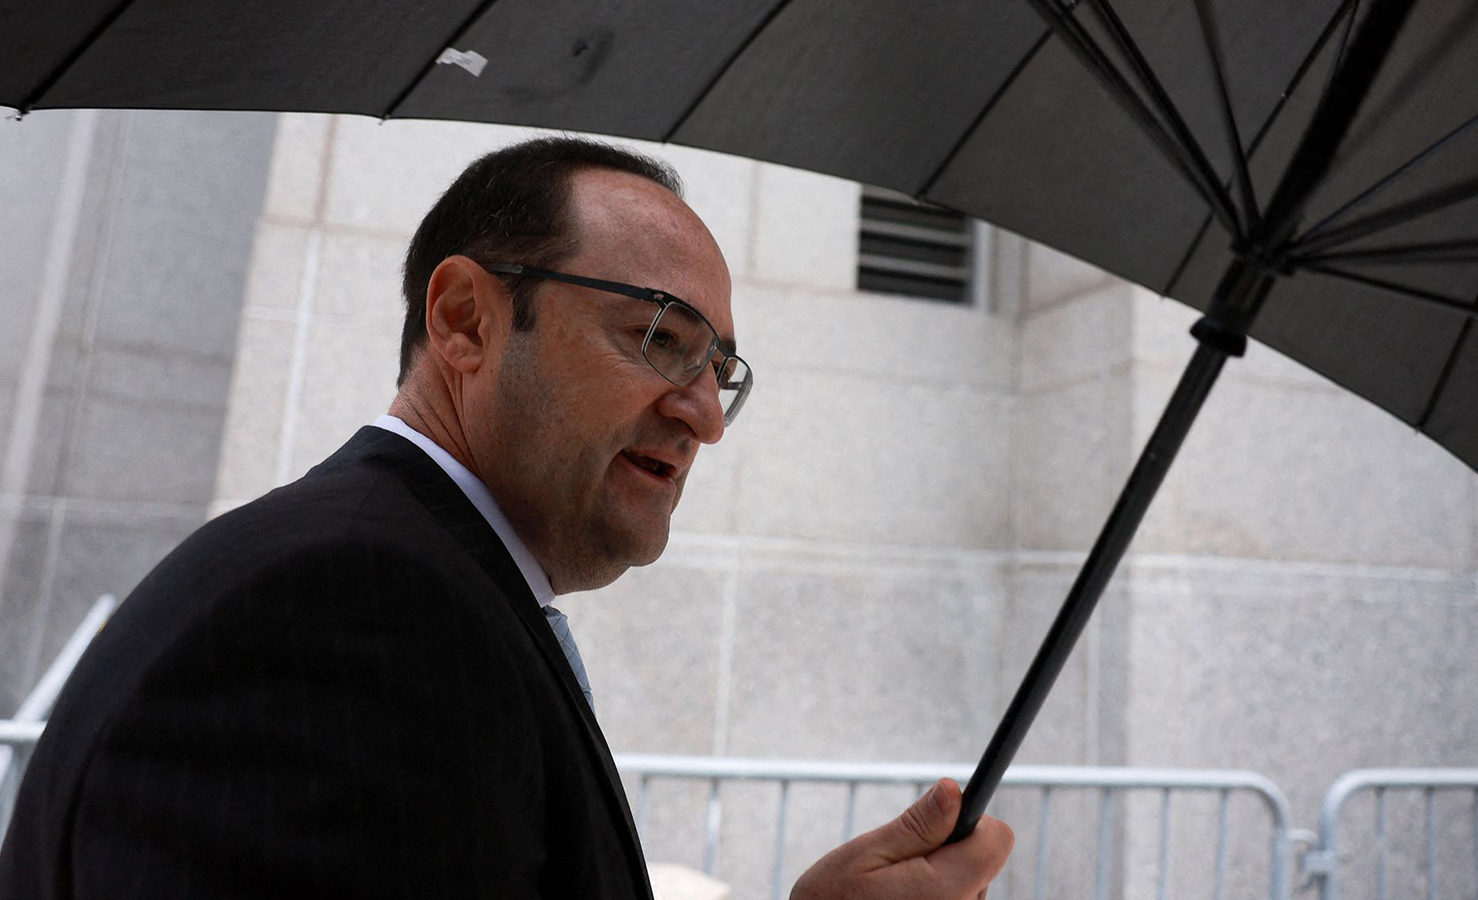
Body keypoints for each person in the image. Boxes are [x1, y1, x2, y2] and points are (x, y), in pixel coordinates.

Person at [0, 137, 1013, 898]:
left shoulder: (399, 585)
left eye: (721, 370)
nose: (705, 415)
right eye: (659, 337)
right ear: (465, 320)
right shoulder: (355, 612)